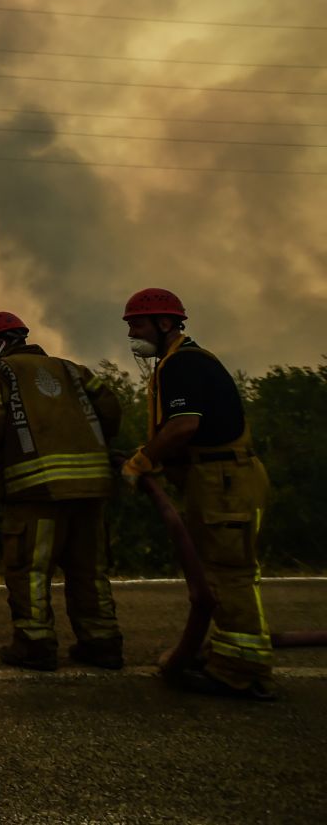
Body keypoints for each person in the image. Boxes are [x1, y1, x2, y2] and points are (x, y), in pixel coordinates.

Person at [120, 288, 276, 700]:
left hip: (224, 480)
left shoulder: (182, 365)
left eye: (138, 323)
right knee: (220, 570)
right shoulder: (180, 361)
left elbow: (183, 425)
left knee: (229, 574)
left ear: (165, 323)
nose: (132, 332)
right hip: (217, 479)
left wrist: (142, 461)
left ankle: (241, 670)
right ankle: (228, 653)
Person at [0, 311, 124, 671]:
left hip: (37, 491)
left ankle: (35, 644)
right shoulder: (72, 369)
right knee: (90, 570)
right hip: (91, 488)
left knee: (30, 569)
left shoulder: (0, 373)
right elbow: (111, 408)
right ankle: (103, 643)